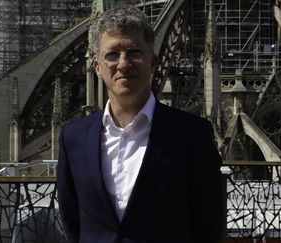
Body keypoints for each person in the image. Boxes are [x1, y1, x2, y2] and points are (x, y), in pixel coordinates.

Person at [57, 5, 224, 243]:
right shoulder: (73, 138)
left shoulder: (192, 134)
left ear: (153, 62)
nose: (123, 64)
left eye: (134, 52)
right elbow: (72, 222)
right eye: (112, 55)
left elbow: (210, 224)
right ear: (97, 68)